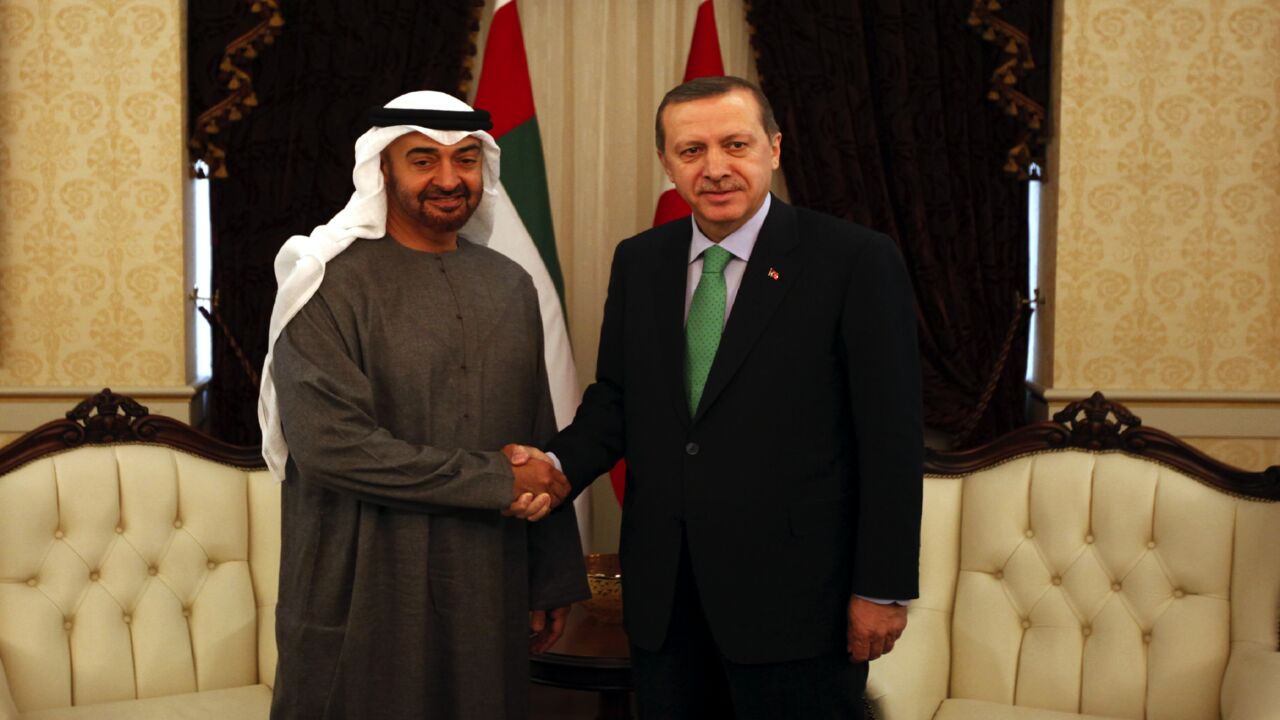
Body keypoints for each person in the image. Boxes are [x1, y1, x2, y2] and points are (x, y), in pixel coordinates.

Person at [534, 76, 923, 718]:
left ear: (773, 148)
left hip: (801, 605)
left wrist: (882, 589)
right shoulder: (641, 262)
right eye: (691, 151)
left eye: (735, 145)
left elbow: (891, 439)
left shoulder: (853, 261)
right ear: (667, 163)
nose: (715, 169)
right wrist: (552, 469)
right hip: (666, 601)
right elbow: (617, 403)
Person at [258, 91, 589, 720]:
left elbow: (538, 437)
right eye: (422, 160)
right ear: (382, 168)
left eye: (465, 159)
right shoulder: (324, 282)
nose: (448, 179)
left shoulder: (510, 284)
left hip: (486, 576)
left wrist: (549, 578)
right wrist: (498, 478)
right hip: (363, 579)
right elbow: (333, 449)